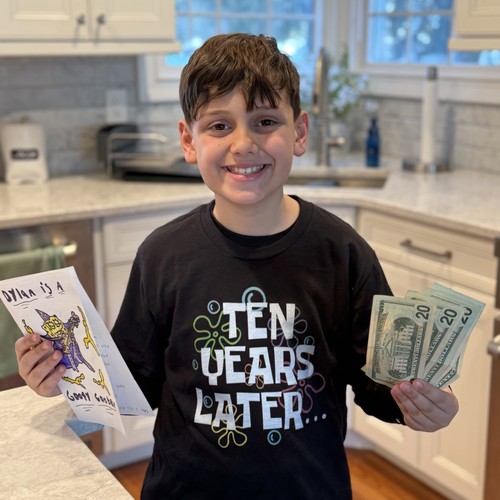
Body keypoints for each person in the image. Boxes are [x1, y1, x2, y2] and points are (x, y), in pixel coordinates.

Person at [16, 33, 458, 499]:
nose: (243, 144)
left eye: (265, 121)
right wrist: (61, 378)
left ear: (299, 132)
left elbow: (377, 385)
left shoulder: (342, 252)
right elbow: (136, 383)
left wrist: (424, 404)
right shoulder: (162, 255)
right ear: (188, 140)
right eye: (219, 126)